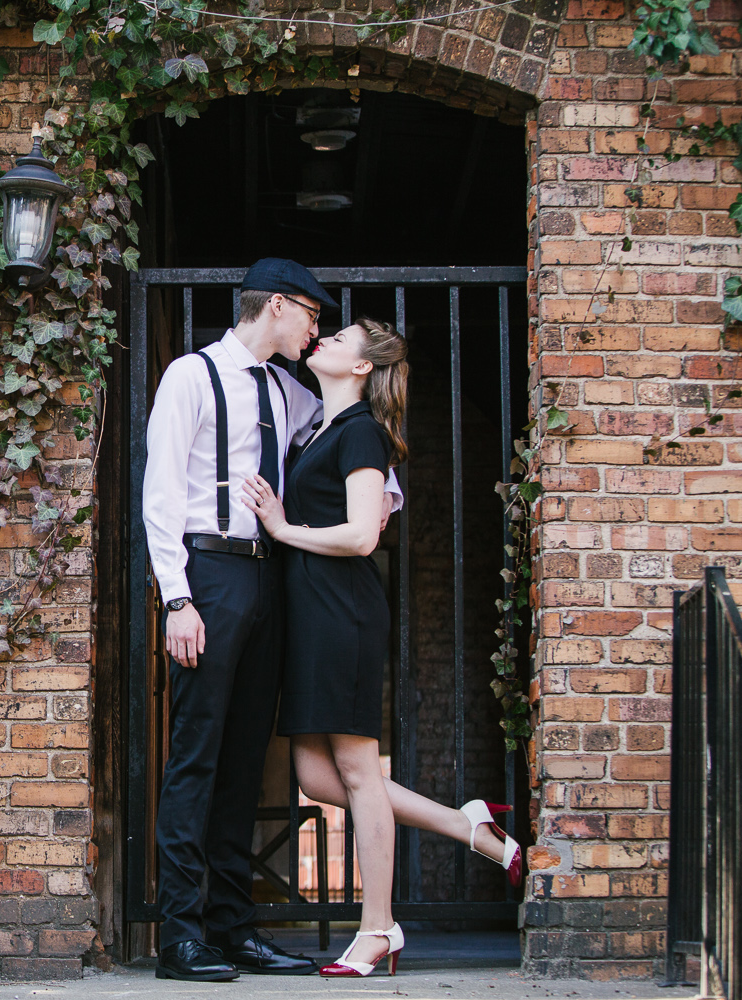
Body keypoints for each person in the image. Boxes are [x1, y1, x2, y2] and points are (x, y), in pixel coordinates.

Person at [239, 316, 523, 979]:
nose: (325, 340)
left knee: (360, 773)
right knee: (315, 778)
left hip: (341, 614)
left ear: (362, 367)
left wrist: (282, 527)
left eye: (339, 339)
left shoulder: (361, 431)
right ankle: (468, 827)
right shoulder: (321, 430)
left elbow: (364, 534)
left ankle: (377, 928)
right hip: (312, 616)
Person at [141, 259, 400, 982]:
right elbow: (160, 495)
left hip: (272, 578)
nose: (316, 331)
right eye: (312, 317)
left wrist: (385, 501)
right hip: (210, 576)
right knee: (197, 754)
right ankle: (182, 936)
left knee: (247, 760)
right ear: (278, 306)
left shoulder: (293, 391)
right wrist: (177, 598)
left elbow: (356, 445)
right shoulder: (190, 376)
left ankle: (233, 929)